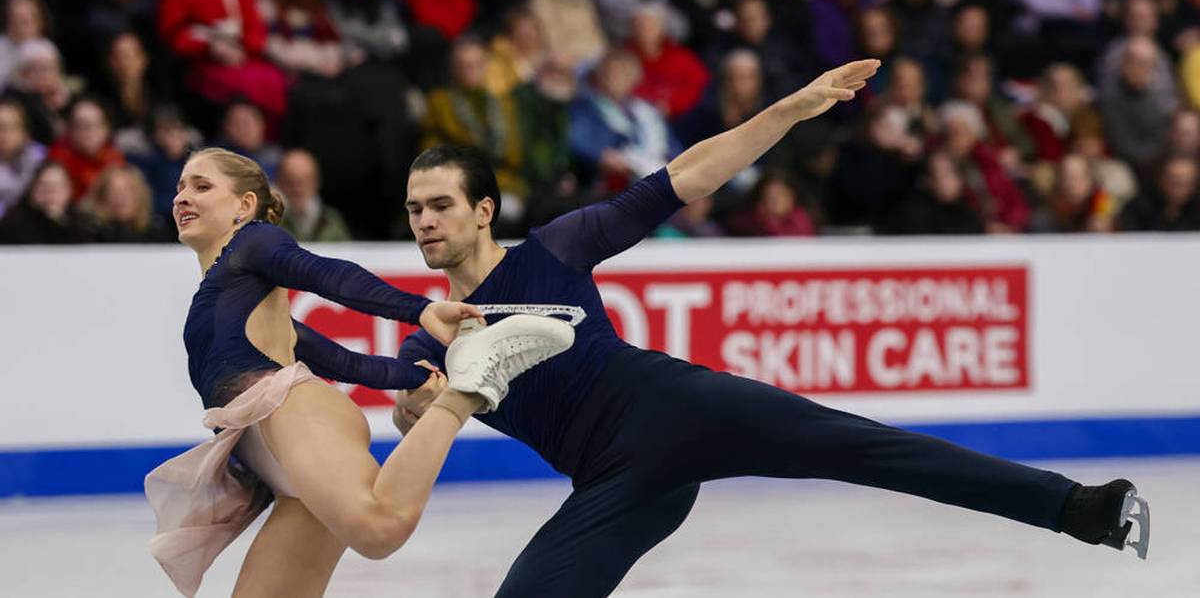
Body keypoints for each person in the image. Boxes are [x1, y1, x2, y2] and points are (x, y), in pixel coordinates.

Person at [301, 60, 1150, 597]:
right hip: (618, 484)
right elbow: (409, 406)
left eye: (441, 204)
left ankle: (1079, 508)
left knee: (874, 448)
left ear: (483, 209)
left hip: (682, 406)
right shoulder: (425, 336)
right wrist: (420, 409)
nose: (424, 221)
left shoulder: (555, 250)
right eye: (414, 209)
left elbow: (682, 178)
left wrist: (785, 113)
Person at [144, 147, 574, 597]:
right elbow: (340, 361)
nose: (182, 197)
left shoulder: (253, 242)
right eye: (179, 188)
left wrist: (421, 310)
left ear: (244, 206)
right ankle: (458, 384)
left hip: (294, 413)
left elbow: (327, 275)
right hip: (279, 461)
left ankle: (467, 391)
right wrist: (413, 377)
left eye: (201, 186)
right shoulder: (229, 290)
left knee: (379, 528)